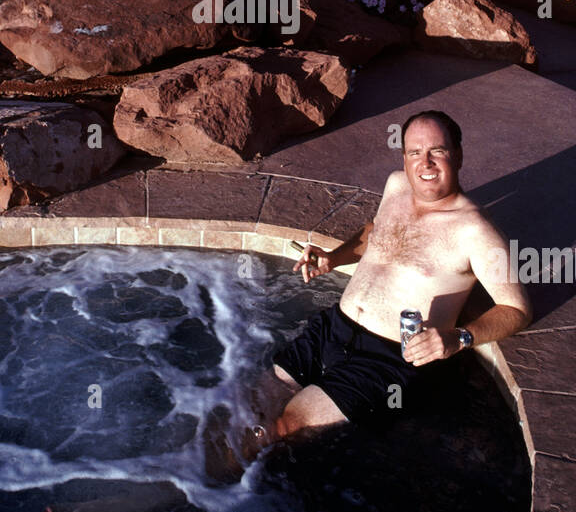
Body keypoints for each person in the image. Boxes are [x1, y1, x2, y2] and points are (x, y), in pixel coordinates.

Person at [207, 110, 532, 478]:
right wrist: (335, 257)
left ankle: (222, 503)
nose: (424, 163)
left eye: (437, 152)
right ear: (403, 157)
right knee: (250, 407)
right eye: (414, 152)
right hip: (334, 327)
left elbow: (516, 309)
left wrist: (458, 338)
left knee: (285, 429)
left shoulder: (475, 231)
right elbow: (374, 233)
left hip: (387, 359)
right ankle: (195, 479)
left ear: (457, 155)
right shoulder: (397, 186)